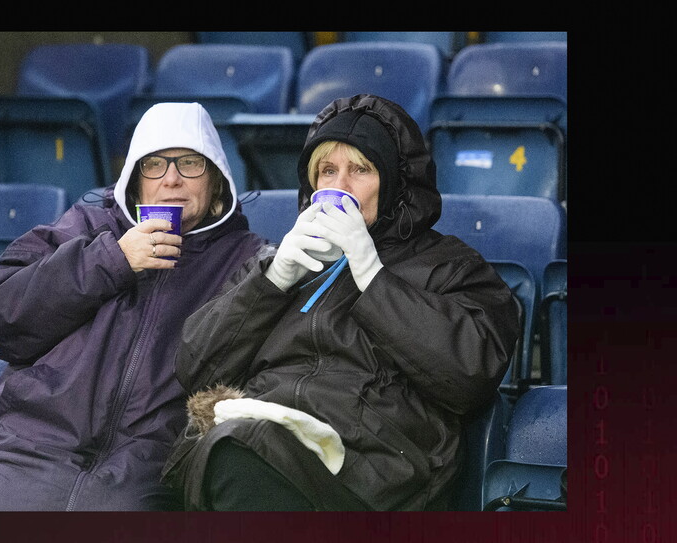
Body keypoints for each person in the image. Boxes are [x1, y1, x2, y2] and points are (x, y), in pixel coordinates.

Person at [160, 94, 521, 511]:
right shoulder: (280, 261)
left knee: (235, 451)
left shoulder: (452, 268)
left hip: (368, 475)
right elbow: (194, 368)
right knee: (220, 451)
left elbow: (469, 376)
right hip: (258, 447)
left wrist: (372, 276)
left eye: (360, 170)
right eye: (327, 171)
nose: (339, 187)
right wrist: (273, 280)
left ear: (394, 182)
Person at [0, 102, 265, 511]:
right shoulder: (87, 225)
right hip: (24, 450)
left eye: (190, 163)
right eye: (154, 164)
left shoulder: (247, 262)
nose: (171, 178)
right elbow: (0, 314)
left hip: (141, 474)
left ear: (217, 181)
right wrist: (112, 260)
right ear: (136, 182)